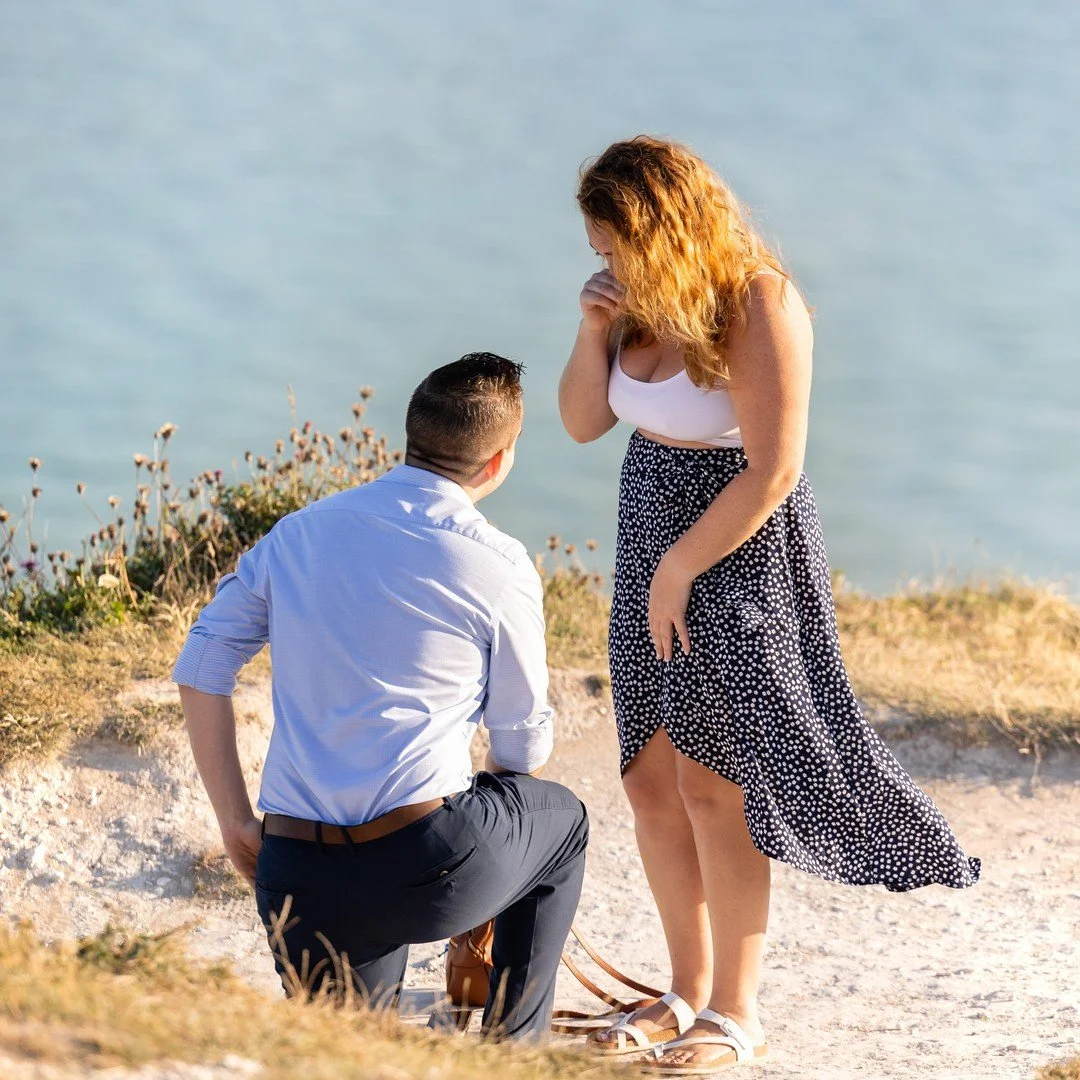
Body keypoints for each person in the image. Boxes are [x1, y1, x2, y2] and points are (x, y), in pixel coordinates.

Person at [558, 136, 979, 1074]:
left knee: (717, 784)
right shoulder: (629, 307)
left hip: (738, 550)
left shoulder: (759, 300)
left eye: (616, 243)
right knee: (648, 778)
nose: (605, 262)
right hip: (649, 540)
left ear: (664, 230)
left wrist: (681, 569)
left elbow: (775, 468)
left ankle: (735, 1014)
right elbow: (584, 423)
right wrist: (592, 333)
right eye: (596, 245)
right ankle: (682, 992)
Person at [173, 353, 588, 1042]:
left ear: (410, 436)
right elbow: (521, 746)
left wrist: (236, 823)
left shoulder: (300, 533)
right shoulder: (497, 561)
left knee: (352, 1055)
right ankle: (513, 1053)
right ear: (498, 460)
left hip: (298, 876)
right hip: (428, 870)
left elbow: (201, 666)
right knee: (562, 823)